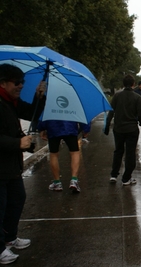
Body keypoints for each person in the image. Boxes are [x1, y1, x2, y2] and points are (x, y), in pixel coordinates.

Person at [0, 63, 46, 264]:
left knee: (17, 198)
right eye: (17, 82)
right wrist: (17, 142)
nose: (21, 86)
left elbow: (31, 114)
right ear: (3, 82)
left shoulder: (10, 101)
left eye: (23, 82)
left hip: (11, 165)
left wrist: (39, 96)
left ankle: (9, 238)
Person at [104, 74, 141, 185]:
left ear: (123, 84)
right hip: (131, 129)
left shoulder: (117, 96)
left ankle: (114, 175)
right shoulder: (137, 97)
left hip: (118, 128)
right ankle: (126, 178)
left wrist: (107, 125)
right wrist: (140, 122)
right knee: (130, 153)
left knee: (118, 151)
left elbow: (111, 111)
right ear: (133, 84)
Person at [37, 120, 90, 192]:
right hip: (70, 127)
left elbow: (45, 114)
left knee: (53, 154)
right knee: (74, 152)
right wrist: (86, 128)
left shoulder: (49, 107)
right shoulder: (74, 107)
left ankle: (57, 182)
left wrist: (41, 128)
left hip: (53, 128)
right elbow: (81, 114)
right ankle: (74, 180)